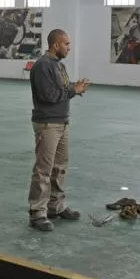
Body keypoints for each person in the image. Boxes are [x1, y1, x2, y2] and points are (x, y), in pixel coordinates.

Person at [27, 29, 91, 231]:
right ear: (55, 45)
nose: (69, 48)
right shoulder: (42, 66)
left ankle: (55, 206)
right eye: (66, 44)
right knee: (43, 170)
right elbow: (48, 95)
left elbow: (61, 89)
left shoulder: (59, 66)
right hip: (48, 124)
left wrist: (74, 87)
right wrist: (74, 90)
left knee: (60, 166)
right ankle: (37, 213)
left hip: (62, 122)